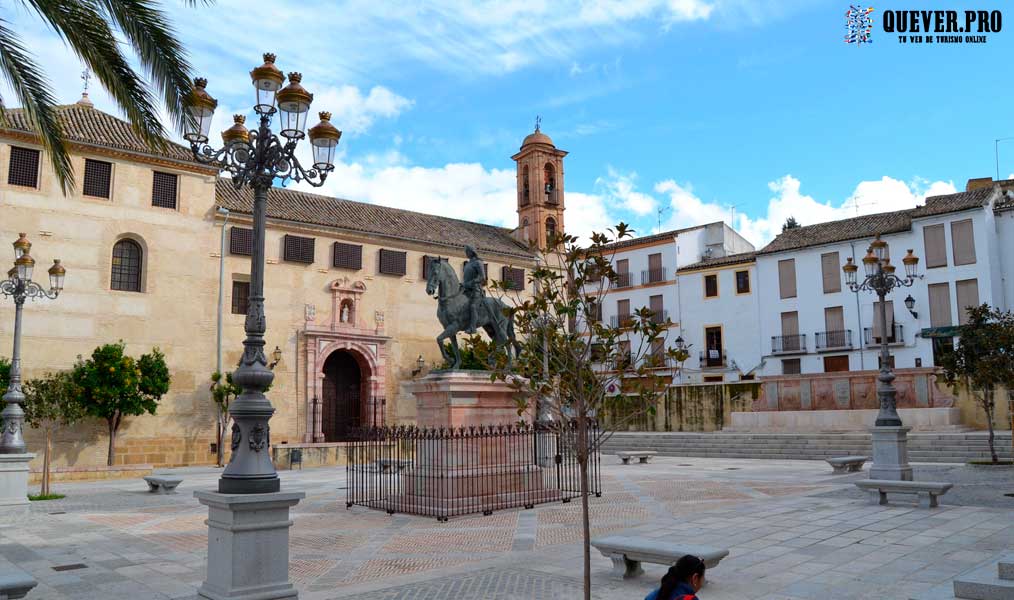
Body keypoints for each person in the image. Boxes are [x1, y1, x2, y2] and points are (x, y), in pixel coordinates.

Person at [461, 245, 486, 334]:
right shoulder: (468, 264)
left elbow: (482, 277)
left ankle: (472, 328)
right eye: (466, 252)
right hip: (466, 289)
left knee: (473, 306)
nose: (466, 253)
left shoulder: (478, 263)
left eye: (467, 251)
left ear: (472, 252)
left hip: (476, 290)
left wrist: (471, 282)